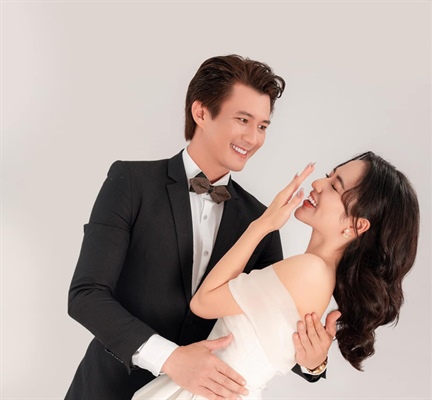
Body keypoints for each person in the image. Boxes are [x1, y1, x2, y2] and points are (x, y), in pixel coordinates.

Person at [66, 54, 337, 400]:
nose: (253, 138)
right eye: (243, 120)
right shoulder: (131, 182)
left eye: (263, 126)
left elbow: (272, 323)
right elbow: (86, 295)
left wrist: (315, 362)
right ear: (201, 113)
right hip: (108, 390)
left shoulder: (261, 219)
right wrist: (170, 358)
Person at [132, 151, 420, 400]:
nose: (318, 184)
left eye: (335, 186)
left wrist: (263, 225)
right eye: (327, 176)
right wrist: (314, 365)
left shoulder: (309, 271)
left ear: (356, 225)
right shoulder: (317, 274)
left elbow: (203, 303)